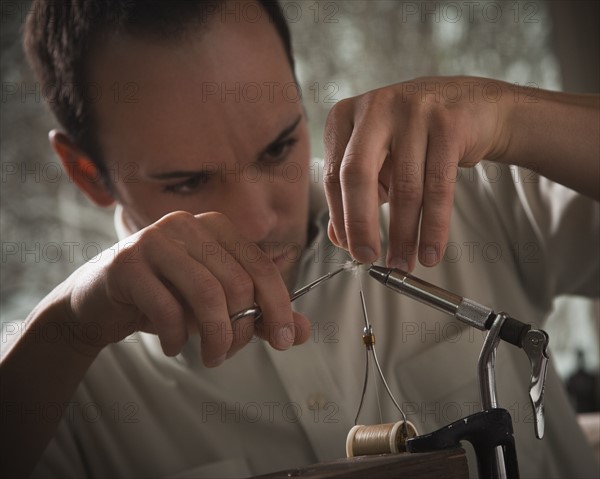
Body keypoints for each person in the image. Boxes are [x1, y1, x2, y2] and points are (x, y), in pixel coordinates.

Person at [1, 0, 598, 477]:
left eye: (280, 146)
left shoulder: (465, 194)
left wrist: (514, 116)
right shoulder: (54, 377)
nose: (258, 222)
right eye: (188, 181)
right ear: (86, 172)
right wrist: (69, 328)